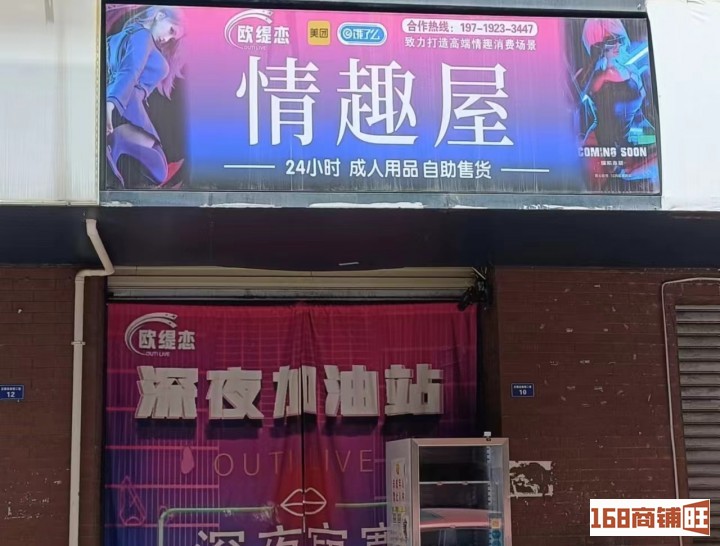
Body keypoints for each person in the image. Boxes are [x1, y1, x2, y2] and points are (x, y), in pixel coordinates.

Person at [105, 6, 186, 188]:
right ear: (160, 15)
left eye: (173, 38)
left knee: (158, 166)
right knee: (159, 168)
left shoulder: (128, 34)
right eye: (171, 30)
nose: (167, 39)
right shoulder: (143, 36)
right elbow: (130, 71)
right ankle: (117, 141)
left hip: (124, 101)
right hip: (127, 102)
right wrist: (111, 103)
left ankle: (117, 143)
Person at [573, 18, 657, 188]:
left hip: (627, 147)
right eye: (610, 40)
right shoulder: (590, 74)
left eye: (619, 38)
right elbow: (571, 102)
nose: (618, 45)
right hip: (597, 148)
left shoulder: (632, 71)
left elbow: (642, 111)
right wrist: (595, 60)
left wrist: (659, 135)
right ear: (596, 44)